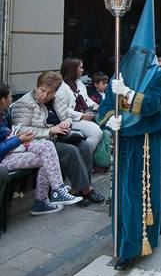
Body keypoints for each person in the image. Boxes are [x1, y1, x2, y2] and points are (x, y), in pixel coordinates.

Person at [97, 0, 161, 271]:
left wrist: (127, 95)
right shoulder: (121, 73)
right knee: (123, 194)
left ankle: (136, 243)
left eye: (144, 51)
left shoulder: (159, 77)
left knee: (141, 193)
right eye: (135, 50)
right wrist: (109, 119)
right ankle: (125, 238)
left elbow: (153, 104)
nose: (139, 55)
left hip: (147, 143)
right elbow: (104, 106)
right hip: (125, 141)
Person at [11, 71, 103, 205]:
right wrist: (50, 130)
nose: (44, 95)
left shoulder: (56, 100)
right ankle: (86, 190)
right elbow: (20, 130)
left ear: (55, 92)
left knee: (84, 146)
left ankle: (78, 189)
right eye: (42, 90)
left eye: (49, 92)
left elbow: (66, 116)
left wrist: (66, 122)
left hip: (58, 137)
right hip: (39, 142)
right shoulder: (24, 103)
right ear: (36, 86)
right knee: (70, 150)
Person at [0, 83, 82, 215]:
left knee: (47, 149)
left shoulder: (2, 114)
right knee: (47, 154)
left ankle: (50, 195)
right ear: (3, 100)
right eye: (10, 97)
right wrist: (18, 139)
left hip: (11, 151)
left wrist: (17, 138)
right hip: (3, 160)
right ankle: (46, 198)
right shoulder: (9, 111)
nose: (11, 99)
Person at [58, 58, 102, 153]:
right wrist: (82, 116)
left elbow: (86, 99)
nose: (83, 70)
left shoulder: (79, 83)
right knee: (96, 131)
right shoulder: (61, 87)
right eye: (80, 67)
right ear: (73, 69)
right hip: (70, 120)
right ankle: (84, 156)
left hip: (86, 115)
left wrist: (96, 105)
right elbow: (63, 109)